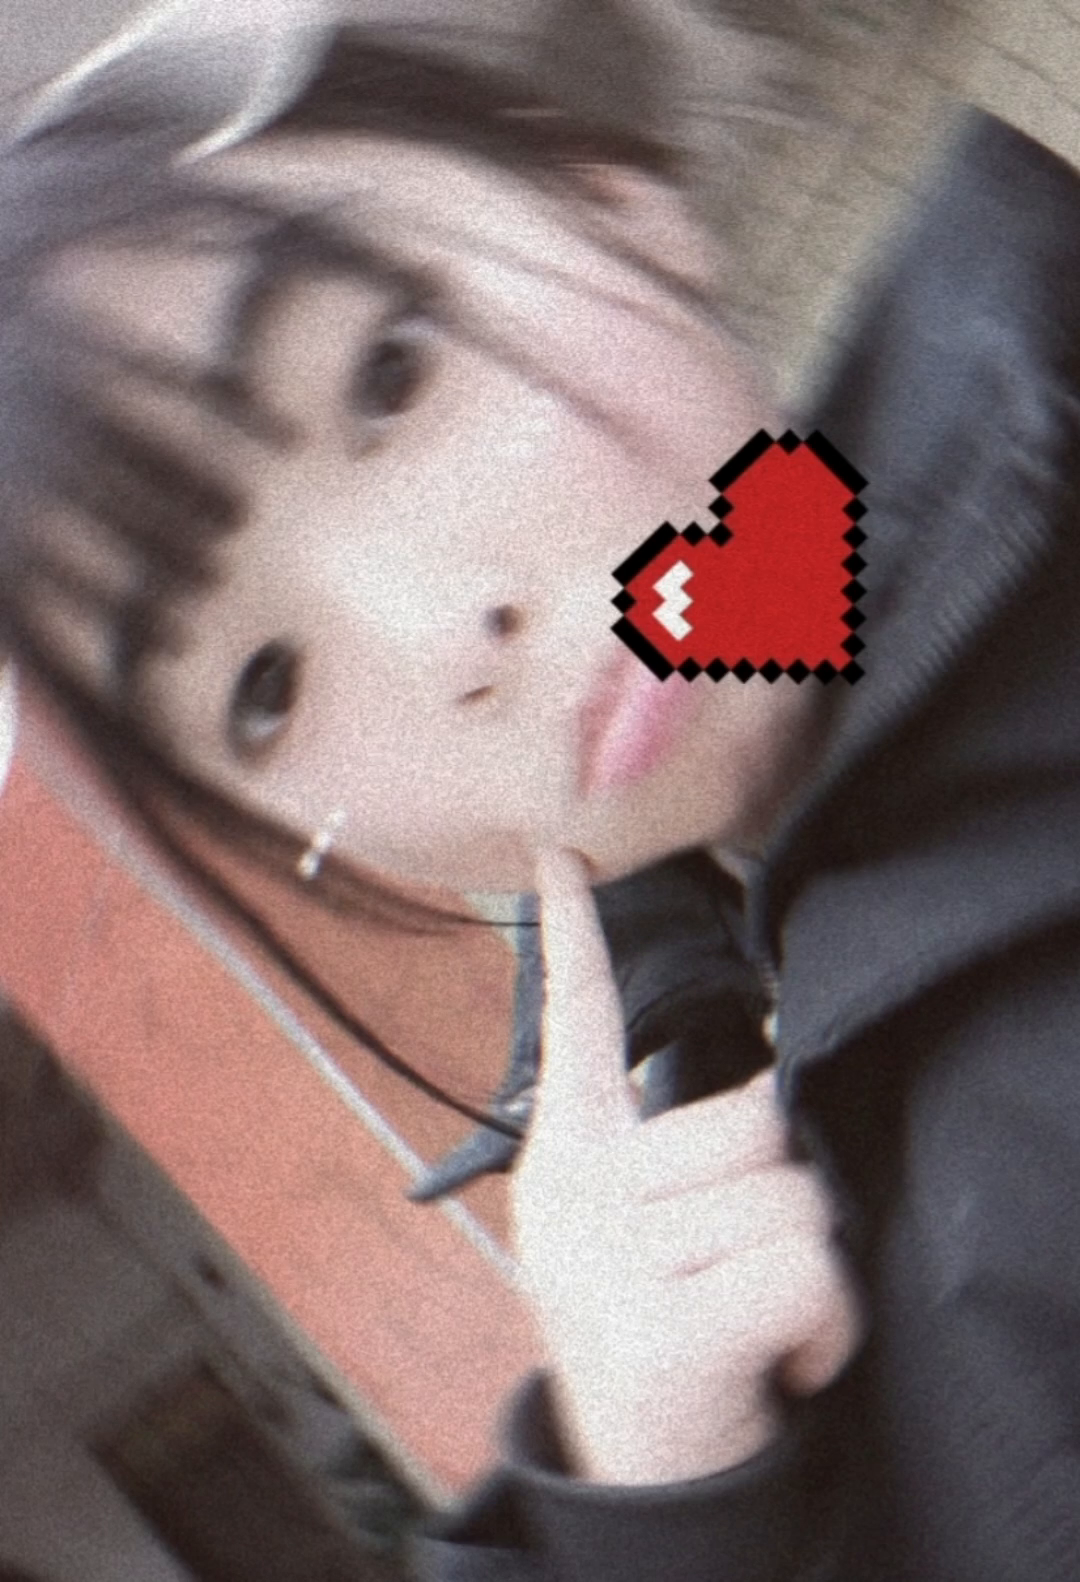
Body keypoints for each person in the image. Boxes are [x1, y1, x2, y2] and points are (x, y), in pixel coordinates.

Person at [1, 4, 1078, 1581]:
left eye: (387, 373)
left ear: (607, 190)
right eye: (263, 687)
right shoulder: (699, 1151)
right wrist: (664, 1500)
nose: (449, 635)